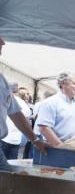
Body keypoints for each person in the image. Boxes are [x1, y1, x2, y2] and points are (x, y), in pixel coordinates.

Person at [0, 38, 47, 170]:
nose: (3, 42)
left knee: (11, 179)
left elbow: (15, 113)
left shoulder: (1, 80)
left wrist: (35, 140)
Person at [35, 72, 75, 147]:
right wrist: (60, 147)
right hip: (56, 148)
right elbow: (44, 128)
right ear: (63, 83)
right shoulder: (50, 102)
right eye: (74, 84)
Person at [0, 84, 33, 160]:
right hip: (16, 140)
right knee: (11, 164)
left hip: (4, 138)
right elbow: (26, 124)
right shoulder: (26, 107)